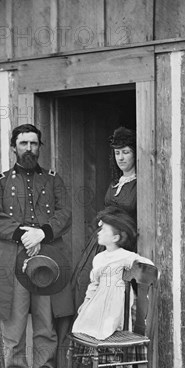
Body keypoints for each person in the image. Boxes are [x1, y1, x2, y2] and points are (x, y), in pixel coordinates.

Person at [0, 124, 73, 368]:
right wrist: (26, 235)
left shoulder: (53, 180)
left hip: (47, 260)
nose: (29, 149)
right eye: (23, 143)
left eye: (34, 144)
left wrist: (43, 233)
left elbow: (65, 213)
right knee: (14, 325)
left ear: (39, 147)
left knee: (46, 326)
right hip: (13, 261)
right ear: (14, 147)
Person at [71, 126, 137, 312]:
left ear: (135, 154)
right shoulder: (115, 183)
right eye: (117, 153)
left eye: (126, 152)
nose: (121, 158)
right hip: (100, 241)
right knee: (84, 280)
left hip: (121, 243)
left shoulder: (139, 183)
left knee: (111, 291)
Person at [72, 207, 154, 340]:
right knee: (83, 324)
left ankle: (110, 346)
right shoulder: (98, 258)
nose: (98, 233)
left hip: (116, 299)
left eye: (103, 230)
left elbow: (147, 265)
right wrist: (86, 301)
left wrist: (149, 274)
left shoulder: (125, 256)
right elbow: (94, 284)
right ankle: (94, 349)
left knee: (108, 325)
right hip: (98, 298)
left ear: (115, 237)